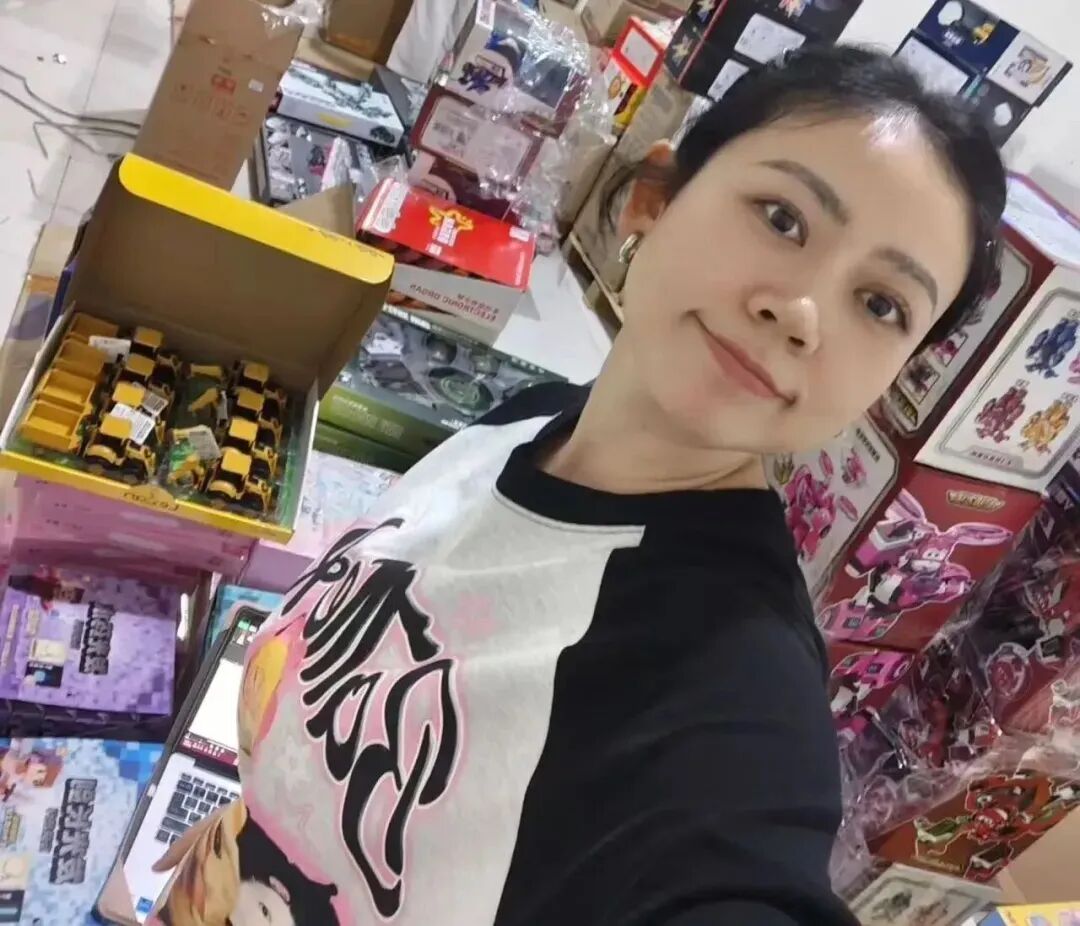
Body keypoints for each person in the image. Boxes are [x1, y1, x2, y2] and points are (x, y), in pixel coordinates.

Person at [151, 45, 1005, 926]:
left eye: (881, 304)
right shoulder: (532, 420)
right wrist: (261, 825)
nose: (802, 312)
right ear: (654, 199)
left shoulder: (733, 708)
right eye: (783, 219)